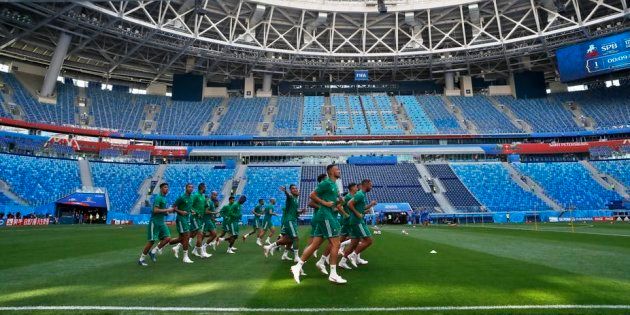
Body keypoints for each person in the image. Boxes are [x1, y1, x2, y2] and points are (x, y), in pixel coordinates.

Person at [290, 164, 348, 284]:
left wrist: (340, 202)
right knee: (336, 244)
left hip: (328, 215)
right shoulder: (326, 183)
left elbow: (333, 204)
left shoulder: (334, 185)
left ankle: (298, 266)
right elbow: (312, 195)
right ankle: (333, 274)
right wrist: (324, 203)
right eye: (337, 169)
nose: (339, 170)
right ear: (331, 172)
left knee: (315, 245)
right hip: (325, 216)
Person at [340, 179, 377, 268]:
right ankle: (353, 255)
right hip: (357, 222)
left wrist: (370, 205)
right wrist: (358, 214)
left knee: (354, 243)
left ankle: (342, 261)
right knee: (369, 241)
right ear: (366, 184)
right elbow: (349, 204)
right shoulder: (360, 194)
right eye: (370, 185)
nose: (371, 187)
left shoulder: (361, 194)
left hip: (355, 221)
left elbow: (361, 207)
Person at [138, 183, 173, 266]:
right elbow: (155, 210)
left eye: (167, 187)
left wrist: (166, 213)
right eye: (165, 187)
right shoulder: (158, 198)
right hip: (155, 222)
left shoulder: (164, 198)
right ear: (161, 189)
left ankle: (153, 252)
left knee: (167, 238)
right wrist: (167, 210)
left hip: (161, 222)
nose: (167, 189)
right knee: (152, 241)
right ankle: (141, 259)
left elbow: (161, 210)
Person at [264, 185, 302, 261]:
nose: (295, 190)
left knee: (290, 239)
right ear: (290, 191)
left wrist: (300, 211)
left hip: (291, 220)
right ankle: (296, 257)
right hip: (289, 221)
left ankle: (270, 247)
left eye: (296, 188)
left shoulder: (295, 200)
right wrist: (285, 191)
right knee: (295, 238)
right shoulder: (291, 198)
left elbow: (294, 211)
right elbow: (288, 196)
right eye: (293, 189)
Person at [169, 183, 195, 264]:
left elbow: (189, 207)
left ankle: (166, 243)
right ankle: (185, 257)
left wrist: (191, 210)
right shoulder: (181, 197)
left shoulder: (191, 197)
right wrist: (180, 211)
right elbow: (173, 207)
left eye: (192, 187)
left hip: (187, 219)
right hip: (181, 219)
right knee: (187, 236)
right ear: (186, 188)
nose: (191, 188)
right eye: (189, 187)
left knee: (181, 238)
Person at [337, 183, 359, 263]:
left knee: (346, 238)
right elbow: (339, 206)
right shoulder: (348, 197)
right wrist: (345, 214)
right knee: (356, 238)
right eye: (356, 187)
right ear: (352, 188)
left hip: (350, 220)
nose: (357, 188)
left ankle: (328, 256)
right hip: (348, 221)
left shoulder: (353, 197)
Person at [190, 183, 211, 258]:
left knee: (191, 234)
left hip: (200, 218)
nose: (206, 189)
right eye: (205, 187)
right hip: (195, 218)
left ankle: (178, 245)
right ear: (202, 188)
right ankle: (202, 253)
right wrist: (194, 212)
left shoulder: (203, 196)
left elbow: (205, 206)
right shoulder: (195, 195)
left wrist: (207, 204)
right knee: (200, 234)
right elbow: (190, 205)